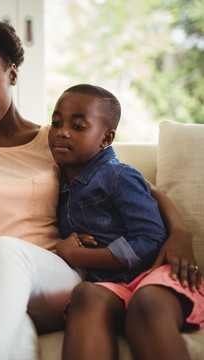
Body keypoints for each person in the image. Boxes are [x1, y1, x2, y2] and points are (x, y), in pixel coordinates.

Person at [0, 16, 200, 359]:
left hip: (57, 273)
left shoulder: (59, 140)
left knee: (4, 250)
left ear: (11, 75)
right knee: (11, 335)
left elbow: (137, 186)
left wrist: (180, 232)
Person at [50, 84, 204, 360]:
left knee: (147, 303)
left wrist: (76, 254)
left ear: (106, 138)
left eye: (78, 126)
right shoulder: (55, 179)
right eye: (56, 123)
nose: (62, 131)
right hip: (112, 287)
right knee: (85, 295)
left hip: (156, 277)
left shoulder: (118, 175)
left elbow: (148, 244)